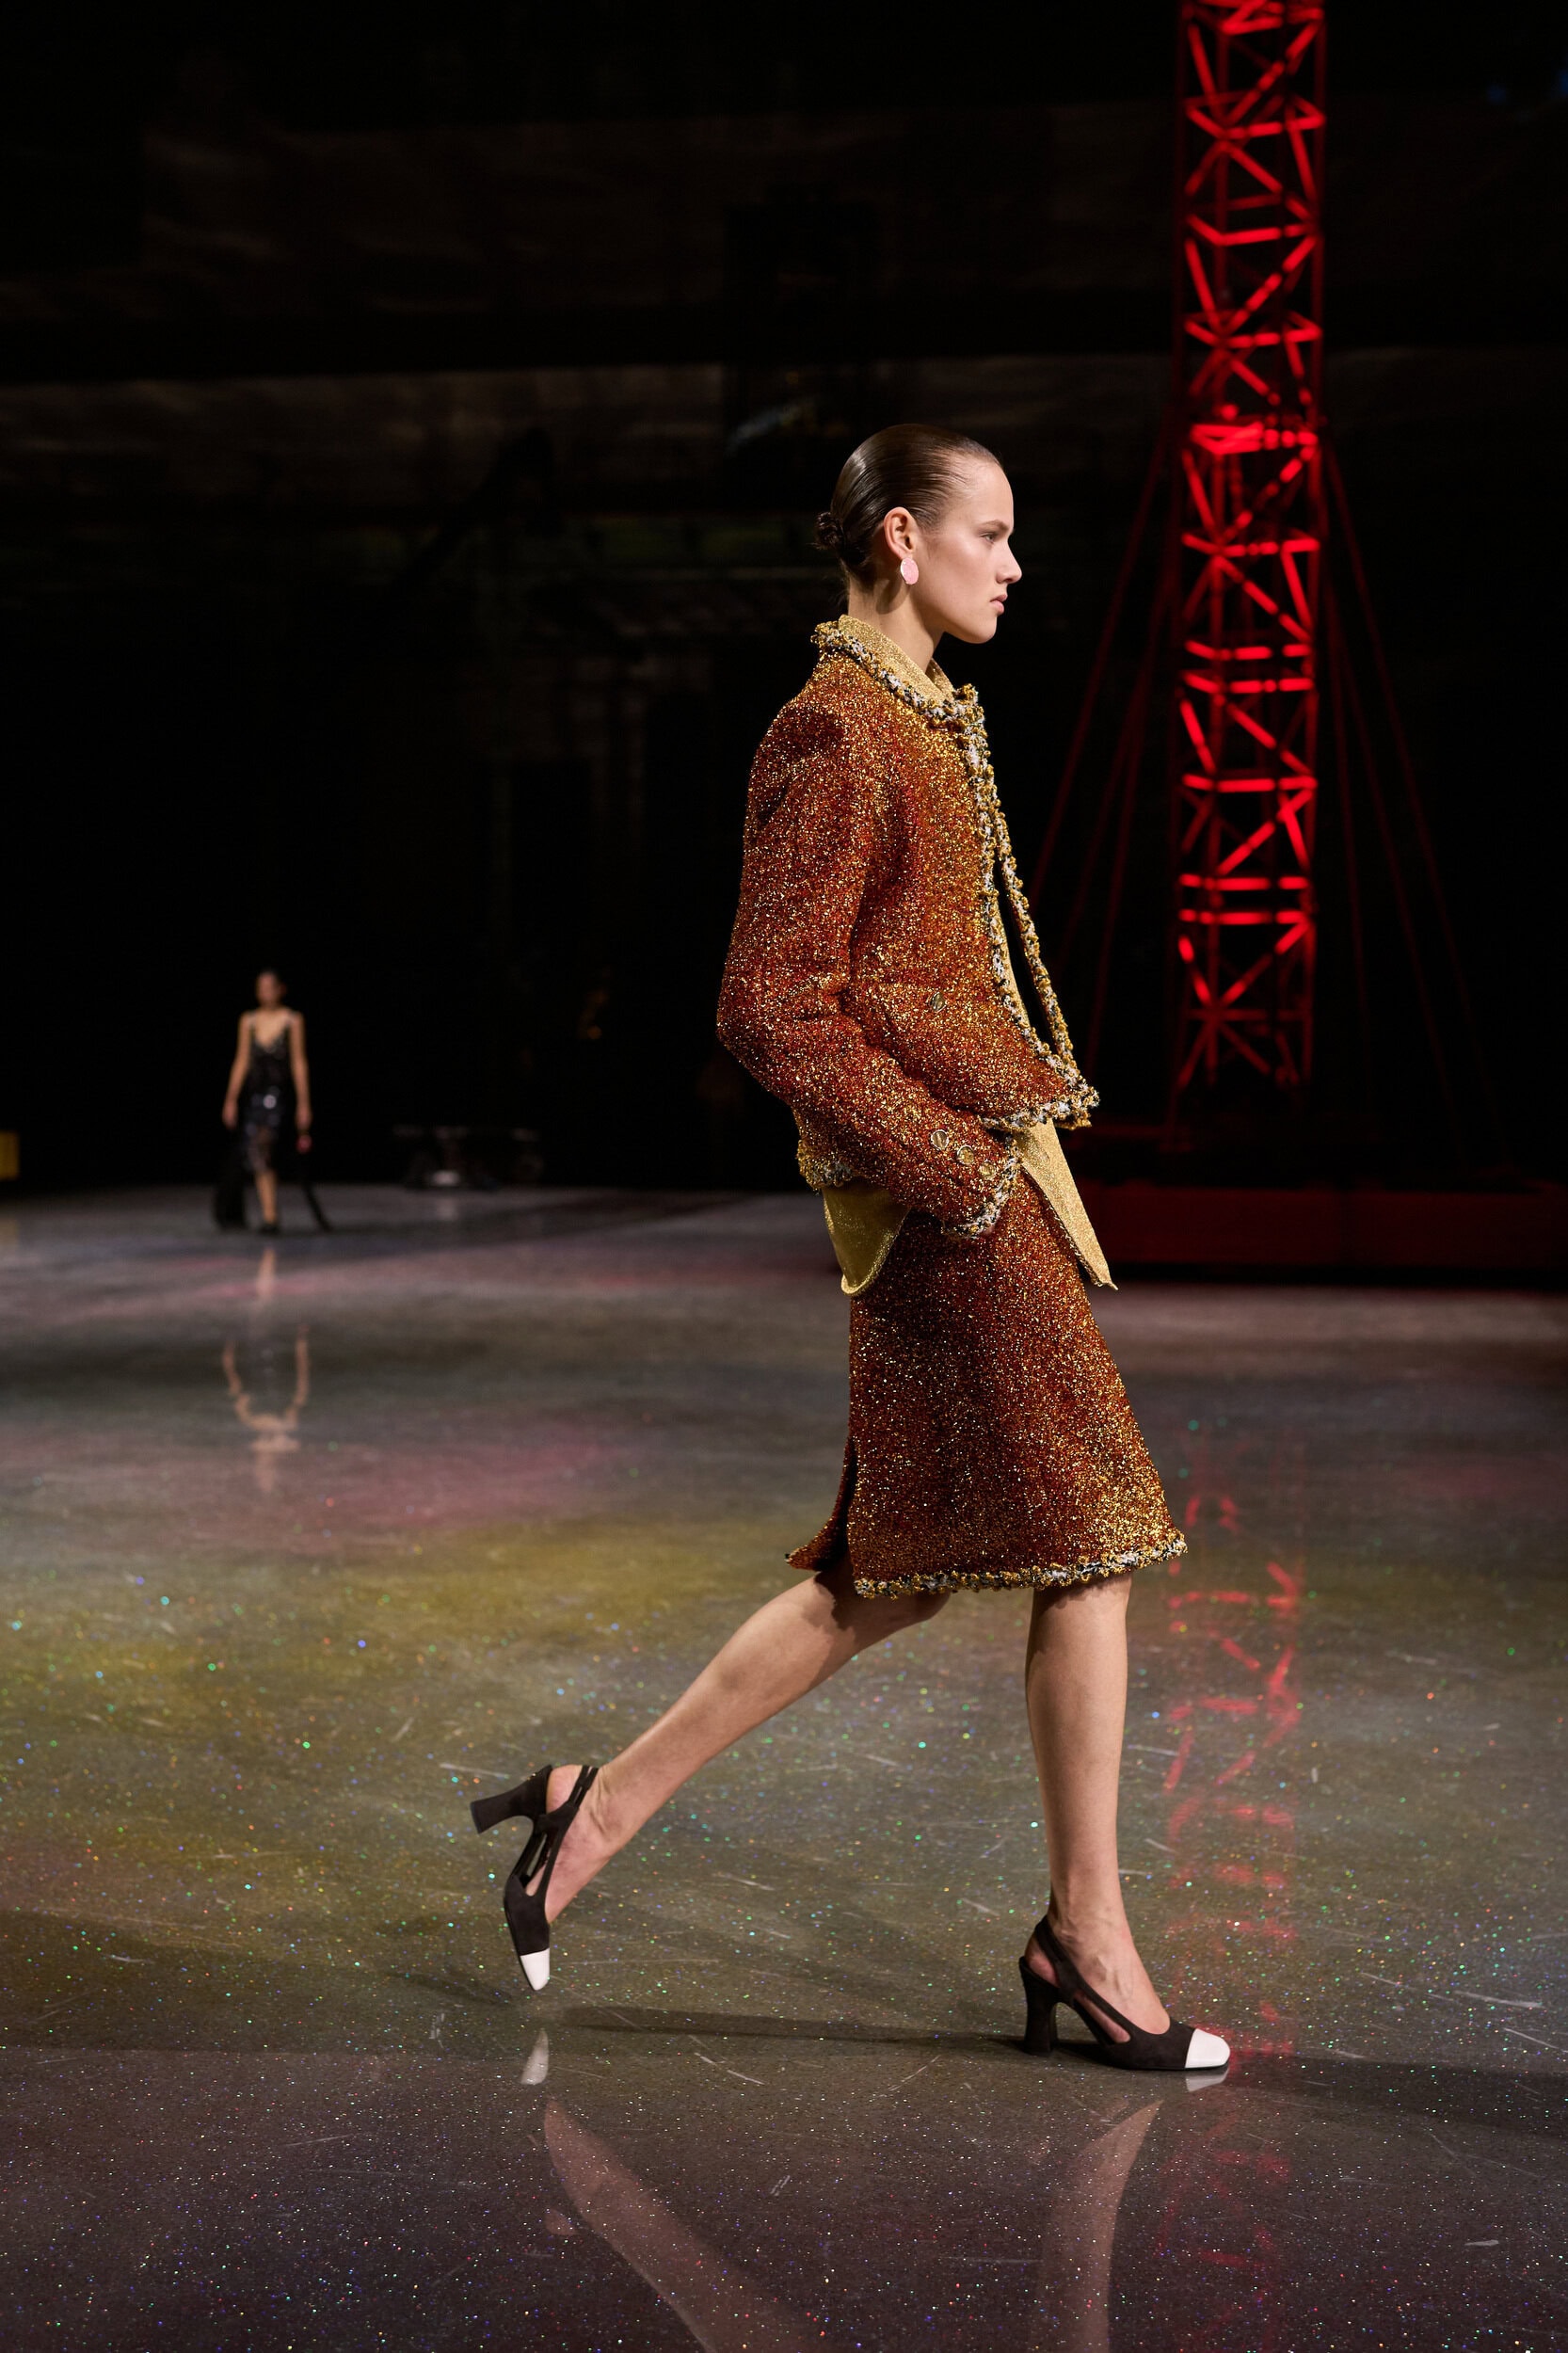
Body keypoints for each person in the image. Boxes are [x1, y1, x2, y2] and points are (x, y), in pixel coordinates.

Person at [472, 425, 1229, 2072]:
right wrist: (953, 1175)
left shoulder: (923, 713)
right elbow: (767, 1004)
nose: (1014, 563)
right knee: (1093, 1535)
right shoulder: (832, 726)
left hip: (985, 1180)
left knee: (887, 1575)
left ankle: (595, 1810)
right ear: (901, 538)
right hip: (949, 1201)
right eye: (991, 532)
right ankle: (1085, 1940)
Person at [218, 970, 328, 1235]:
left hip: (279, 1097)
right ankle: (270, 1215)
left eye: (270, 987)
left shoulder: (292, 1020)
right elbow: (242, 1060)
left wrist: (304, 1103)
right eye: (261, 988)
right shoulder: (249, 1021)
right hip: (255, 1096)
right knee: (258, 1152)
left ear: (281, 989)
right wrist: (231, 1098)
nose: (265, 992)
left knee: (264, 1146)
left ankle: (272, 1215)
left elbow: (299, 1062)